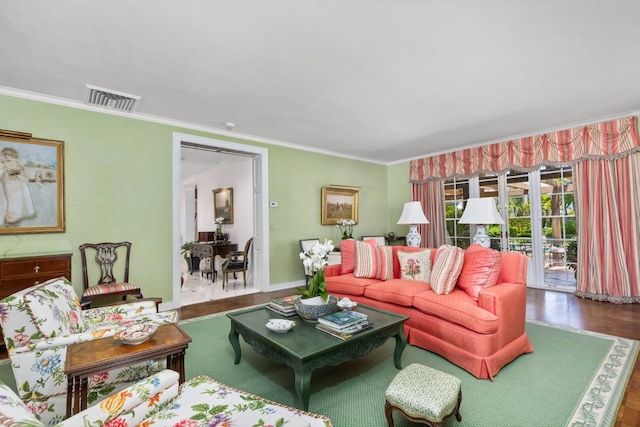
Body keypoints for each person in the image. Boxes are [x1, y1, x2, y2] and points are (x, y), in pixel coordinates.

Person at [1, 147, 36, 224]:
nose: (7, 156)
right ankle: (11, 216)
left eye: (9, 154)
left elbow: (21, 170)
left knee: (19, 198)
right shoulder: (4, 162)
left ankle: (21, 213)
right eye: (6, 154)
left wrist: (14, 172)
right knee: (11, 199)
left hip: (17, 181)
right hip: (8, 182)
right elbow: (4, 170)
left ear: (13, 155)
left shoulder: (18, 162)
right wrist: (8, 172)